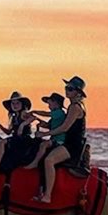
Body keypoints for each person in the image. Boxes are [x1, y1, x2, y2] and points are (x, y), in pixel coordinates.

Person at [34, 76, 88, 204]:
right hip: (70, 143)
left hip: (72, 145)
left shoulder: (75, 107)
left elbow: (64, 128)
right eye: (66, 88)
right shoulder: (72, 106)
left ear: (77, 92)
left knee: (49, 160)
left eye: (70, 89)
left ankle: (48, 196)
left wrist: (44, 134)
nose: (67, 90)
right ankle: (40, 190)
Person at [0, 92, 38, 192]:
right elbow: (9, 132)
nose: (15, 105)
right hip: (15, 139)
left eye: (17, 103)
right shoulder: (14, 117)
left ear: (22, 104)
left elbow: (33, 117)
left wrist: (23, 125)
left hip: (23, 140)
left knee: (2, 143)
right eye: (13, 104)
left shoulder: (24, 113)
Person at [24, 92, 67, 171]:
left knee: (44, 144)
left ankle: (35, 162)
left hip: (59, 140)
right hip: (54, 139)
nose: (48, 106)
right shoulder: (55, 115)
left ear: (56, 103)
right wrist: (37, 119)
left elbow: (46, 114)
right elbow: (48, 125)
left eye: (50, 104)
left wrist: (34, 111)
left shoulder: (60, 113)